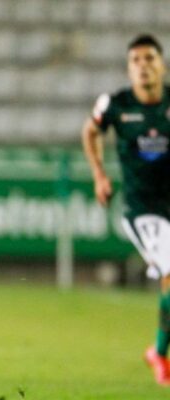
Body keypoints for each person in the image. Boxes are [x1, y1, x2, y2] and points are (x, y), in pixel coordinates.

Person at [82, 34, 170, 387]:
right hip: (142, 209)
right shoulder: (116, 104)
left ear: (161, 65)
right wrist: (99, 175)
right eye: (135, 60)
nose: (143, 65)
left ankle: (158, 352)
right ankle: (160, 353)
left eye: (149, 58)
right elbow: (90, 132)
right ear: (128, 69)